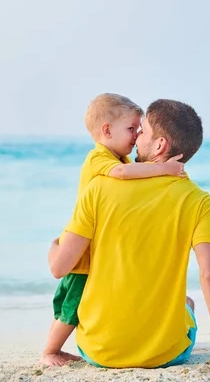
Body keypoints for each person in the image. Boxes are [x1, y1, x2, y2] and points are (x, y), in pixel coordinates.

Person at [47, 99, 210, 369]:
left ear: (159, 145)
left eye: (142, 131)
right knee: (188, 302)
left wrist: (54, 245)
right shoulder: (201, 202)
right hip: (165, 355)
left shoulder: (99, 188)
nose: (136, 138)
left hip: (98, 351)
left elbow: (60, 266)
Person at [40, 94, 185, 366]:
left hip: (98, 243)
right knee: (72, 305)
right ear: (106, 130)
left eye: (139, 129)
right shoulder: (99, 158)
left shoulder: (122, 159)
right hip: (83, 247)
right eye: (131, 129)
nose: (136, 134)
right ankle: (50, 351)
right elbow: (120, 176)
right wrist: (166, 168)